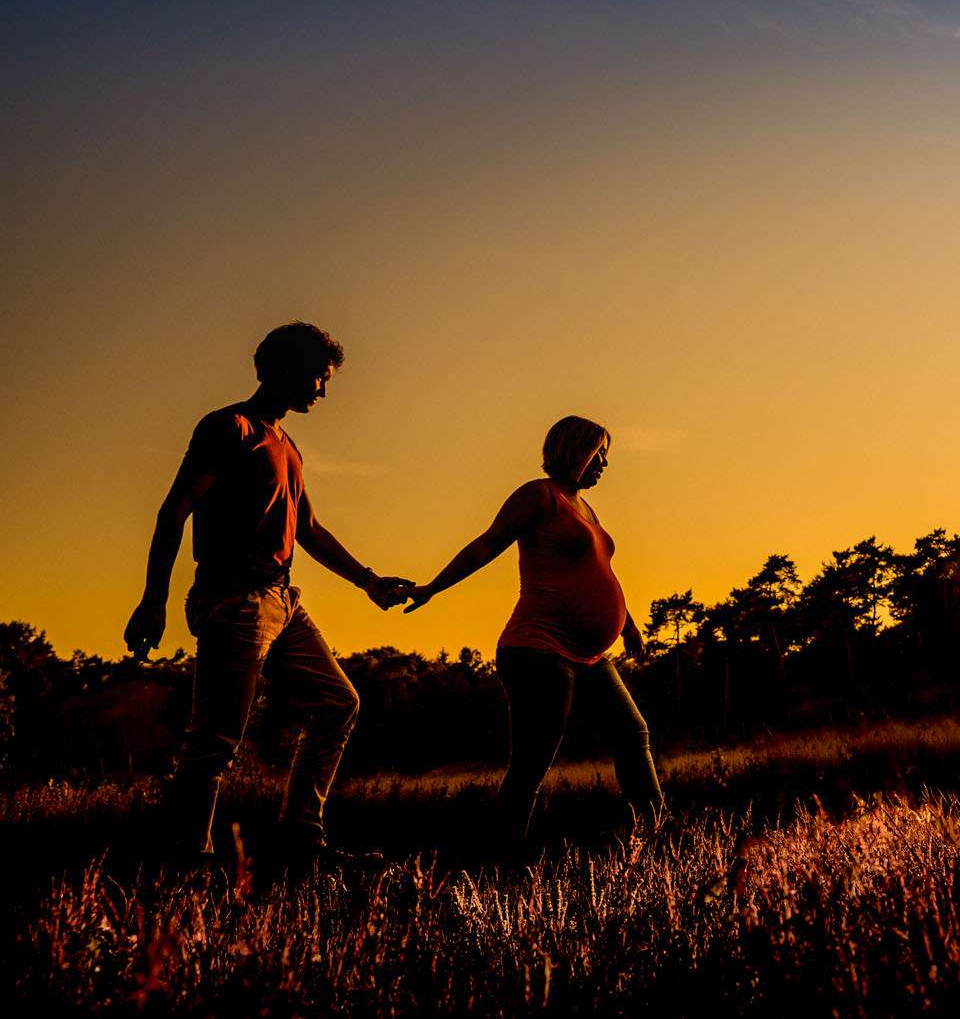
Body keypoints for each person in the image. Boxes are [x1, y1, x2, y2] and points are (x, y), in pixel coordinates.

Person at [124, 322, 415, 865]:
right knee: (215, 741)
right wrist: (153, 598)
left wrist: (369, 581)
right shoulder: (229, 428)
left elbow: (308, 528)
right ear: (275, 369)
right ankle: (188, 866)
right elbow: (175, 510)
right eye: (314, 377)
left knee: (337, 703)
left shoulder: (288, 444)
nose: (321, 391)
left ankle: (302, 843)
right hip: (234, 603)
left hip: (283, 601)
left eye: (325, 380)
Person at [404, 416, 661, 844]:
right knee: (533, 761)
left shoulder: (586, 508)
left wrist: (629, 627)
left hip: (591, 656)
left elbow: (600, 573)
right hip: (538, 650)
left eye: (606, 456)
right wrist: (434, 587)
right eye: (598, 455)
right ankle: (504, 856)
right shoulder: (539, 496)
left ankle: (656, 833)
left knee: (633, 733)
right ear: (574, 450)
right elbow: (488, 544)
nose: (604, 465)